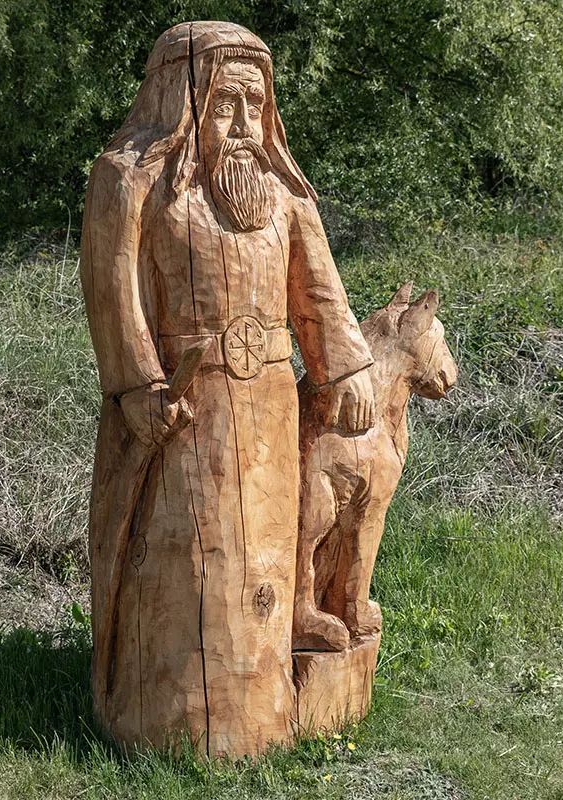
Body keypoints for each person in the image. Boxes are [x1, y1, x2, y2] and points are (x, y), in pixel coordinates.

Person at [80, 21, 374, 759]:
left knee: (265, 568)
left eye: (256, 104)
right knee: (186, 566)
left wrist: (344, 368)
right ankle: (163, 723)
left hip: (269, 410)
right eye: (223, 104)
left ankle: (264, 716)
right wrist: (138, 384)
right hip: (183, 415)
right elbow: (113, 291)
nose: (243, 123)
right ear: (183, 101)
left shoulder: (283, 196)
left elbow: (321, 293)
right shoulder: (132, 180)